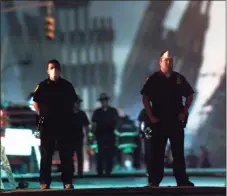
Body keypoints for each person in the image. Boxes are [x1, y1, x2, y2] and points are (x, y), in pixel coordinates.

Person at [140, 50, 194, 187]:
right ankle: (154, 180)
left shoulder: (178, 78)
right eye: (166, 60)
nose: (169, 62)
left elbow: (189, 95)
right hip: (159, 120)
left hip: (175, 120)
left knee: (178, 152)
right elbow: (145, 98)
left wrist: (185, 111)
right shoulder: (154, 79)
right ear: (160, 62)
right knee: (157, 153)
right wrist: (151, 116)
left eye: (170, 60)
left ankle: (182, 180)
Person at [32, 59, 78, 189]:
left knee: (66, 155)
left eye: (56, 68)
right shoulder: (42, 86)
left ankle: (67, 182)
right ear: (47, 70)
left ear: (60, 70)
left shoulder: (67, 86)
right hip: (47, 125)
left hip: (64, 124)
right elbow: (35, 102)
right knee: (46, 155)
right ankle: (44, 182)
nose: (54, 70)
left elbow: (74, 102)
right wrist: (42, 114)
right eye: (51, 68)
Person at [91, 93, 119, 176]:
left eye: (105, 100)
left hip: (110, 134)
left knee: (109, 154)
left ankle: (108, 171)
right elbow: (94, 124)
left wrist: (116, 133)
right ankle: (100, 171)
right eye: (102, 100)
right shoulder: (97, 112)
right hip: (100, 135)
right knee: (100, 154)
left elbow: (117, 122)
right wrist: (92, 134)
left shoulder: (113, 111)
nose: (104, 102)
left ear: (107, 101)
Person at [72, 96, 90, 177]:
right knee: (69, 156)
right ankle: (70, 172)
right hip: (69, 138)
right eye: (77, 102)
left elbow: (86, 127)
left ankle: (80, 173)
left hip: (79, 137)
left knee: (79, 155)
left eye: (79, 103)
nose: (78, 104)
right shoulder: (68, 114)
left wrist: (88, 137)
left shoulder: (82, 114)